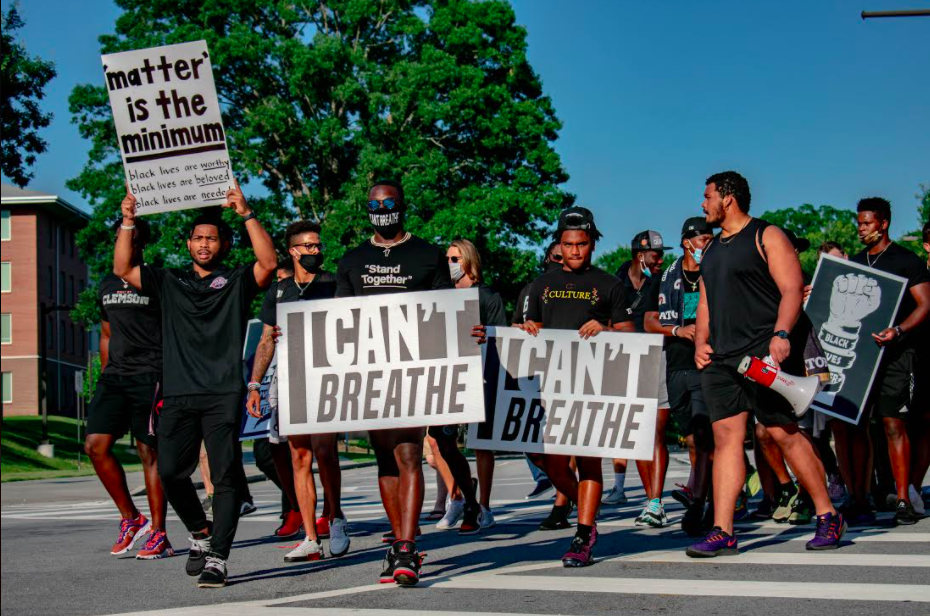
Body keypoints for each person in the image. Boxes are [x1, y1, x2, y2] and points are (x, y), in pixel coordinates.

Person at [114, 181, 277, 588]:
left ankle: (219, 558)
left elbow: (269, 262)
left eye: (212, 239)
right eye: (198, 238)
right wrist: (128, 222)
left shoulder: (236, 281)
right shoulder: (168, 280)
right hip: (179, 392)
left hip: (223, 392)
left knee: (224, 478)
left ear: (222, 246)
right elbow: (122, 269)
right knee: (169, 472)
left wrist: (246, 214)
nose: (205, 244)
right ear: (188, 244)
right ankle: (201, 533)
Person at [687, 171, 843, 557]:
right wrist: (701, 342)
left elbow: (792, 288)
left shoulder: (767, 235)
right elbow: (706, 302)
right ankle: (722, 531)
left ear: (727, 198)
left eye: (707, 196)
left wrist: (782, 335)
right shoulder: (709, 251)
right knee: (726, 441)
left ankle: (827, 514)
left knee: (781, 432)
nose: (702, 204)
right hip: (722, 359)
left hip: (762, 353)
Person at [335, 179, 455, 586]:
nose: (382, 206)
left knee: (407, 454)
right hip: (369, 372)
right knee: (384, 456)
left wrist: (468, 332)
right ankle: (398, 539)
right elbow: (338, 318)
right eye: (375, 202)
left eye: (390, 201)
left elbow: (447, 310)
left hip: (412, 369)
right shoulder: (352, 259)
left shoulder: (427, 254)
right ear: (366, 207)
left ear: (403, 206)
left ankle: (406, 547)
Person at [523, 206, 634, 567]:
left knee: (588, 461)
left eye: (582, 244)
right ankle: (585, 505)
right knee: (551, 463)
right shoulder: (541, 284)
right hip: (550, 386)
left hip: (592, 386)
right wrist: (525, 329)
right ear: (559, 243)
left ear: (592, 244)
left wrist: (606, 330)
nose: (574, 251)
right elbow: (524, 330)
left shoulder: (609, 285)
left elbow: (631, 338)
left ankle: (584, 532)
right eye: (568, 244)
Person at [247, 221, 349, 561]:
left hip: (327, 376)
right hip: (291, 379)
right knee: (299, 456)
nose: (316, 252)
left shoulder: (334, 283)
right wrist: (254, 384)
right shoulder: (279, 291)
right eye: (309, 247)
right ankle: (309, 536)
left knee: (324, 450)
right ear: (293, 251)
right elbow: (266, 341)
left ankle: (335, 518)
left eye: (318, 246)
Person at [832, 198, 930, 526]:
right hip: (861, 358)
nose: (860, 229)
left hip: (898, 355)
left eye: (866, 224)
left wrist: (899, 330)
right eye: (859, 223)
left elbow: (925, 305)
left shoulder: (906, 260)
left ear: (883, 223)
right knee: (855, 425)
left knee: (893, 424)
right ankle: (860, 497)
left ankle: (902, 497)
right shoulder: (856, 263)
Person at [84, 218, 172, 559]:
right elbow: (106, 335)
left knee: (148, 452)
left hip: (151, 375)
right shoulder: (106, 284)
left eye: (130, 239)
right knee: (95, 445)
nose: (123, 244)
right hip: (115, 378)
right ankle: (131, 518)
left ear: (140, 245)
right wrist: (105, 378)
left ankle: (159, 533)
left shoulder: (156, 280)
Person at [428, 239, 508, 531]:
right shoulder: (441, 296)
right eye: (447, 259)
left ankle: (483, 506)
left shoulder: (488, 297)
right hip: (449, 381)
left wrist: (488, 334)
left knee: (482, 444)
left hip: (482, 380)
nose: (449, 264)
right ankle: (462, 497)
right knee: (440, 441)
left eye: (454, 258)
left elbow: (504, 338)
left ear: (469, 261)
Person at [648, 217, 714, 536]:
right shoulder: (664, 277)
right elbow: (648, 321)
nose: (708, 245)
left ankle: (700, 503)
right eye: (703, 240)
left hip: (707, 364)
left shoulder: (716, 274)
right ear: (688, 242)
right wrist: (677, 329)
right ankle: (719, 489)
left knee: (703, 437)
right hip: (675, 365)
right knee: (691, 437)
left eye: (711, 239)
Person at [615, 230, 672, 526]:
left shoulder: (665, 280)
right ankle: (652, 500)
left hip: (658, 356)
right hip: (626, 361)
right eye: (656, 255)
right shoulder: (615, 281)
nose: (661, 260)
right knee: (637, 435)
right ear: (640, 255)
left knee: (656, 433)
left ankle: (656, 501)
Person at [513, 240, 558, 502]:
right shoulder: (531, 289)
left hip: (562, 366)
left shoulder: (577, 288)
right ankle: (545, 476)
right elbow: (516, 324)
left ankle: (565, 491)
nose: (560, 262)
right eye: (556, 257)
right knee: (524, 427)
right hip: (532, 366)